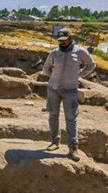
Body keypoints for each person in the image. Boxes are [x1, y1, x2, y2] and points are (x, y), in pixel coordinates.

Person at [40, 28, 96, 162]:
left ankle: (73, 147)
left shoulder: (80, 51)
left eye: (65, 40)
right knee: (53, 115)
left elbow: (91, 65)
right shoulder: (54, 52)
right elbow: (46, 69)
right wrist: (54, 77)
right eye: (60, 41)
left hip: (70, 90)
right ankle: (55, 141)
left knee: (71, 118)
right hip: (53, 88)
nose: (62, 43)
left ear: (71, 38)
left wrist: (79, 74)